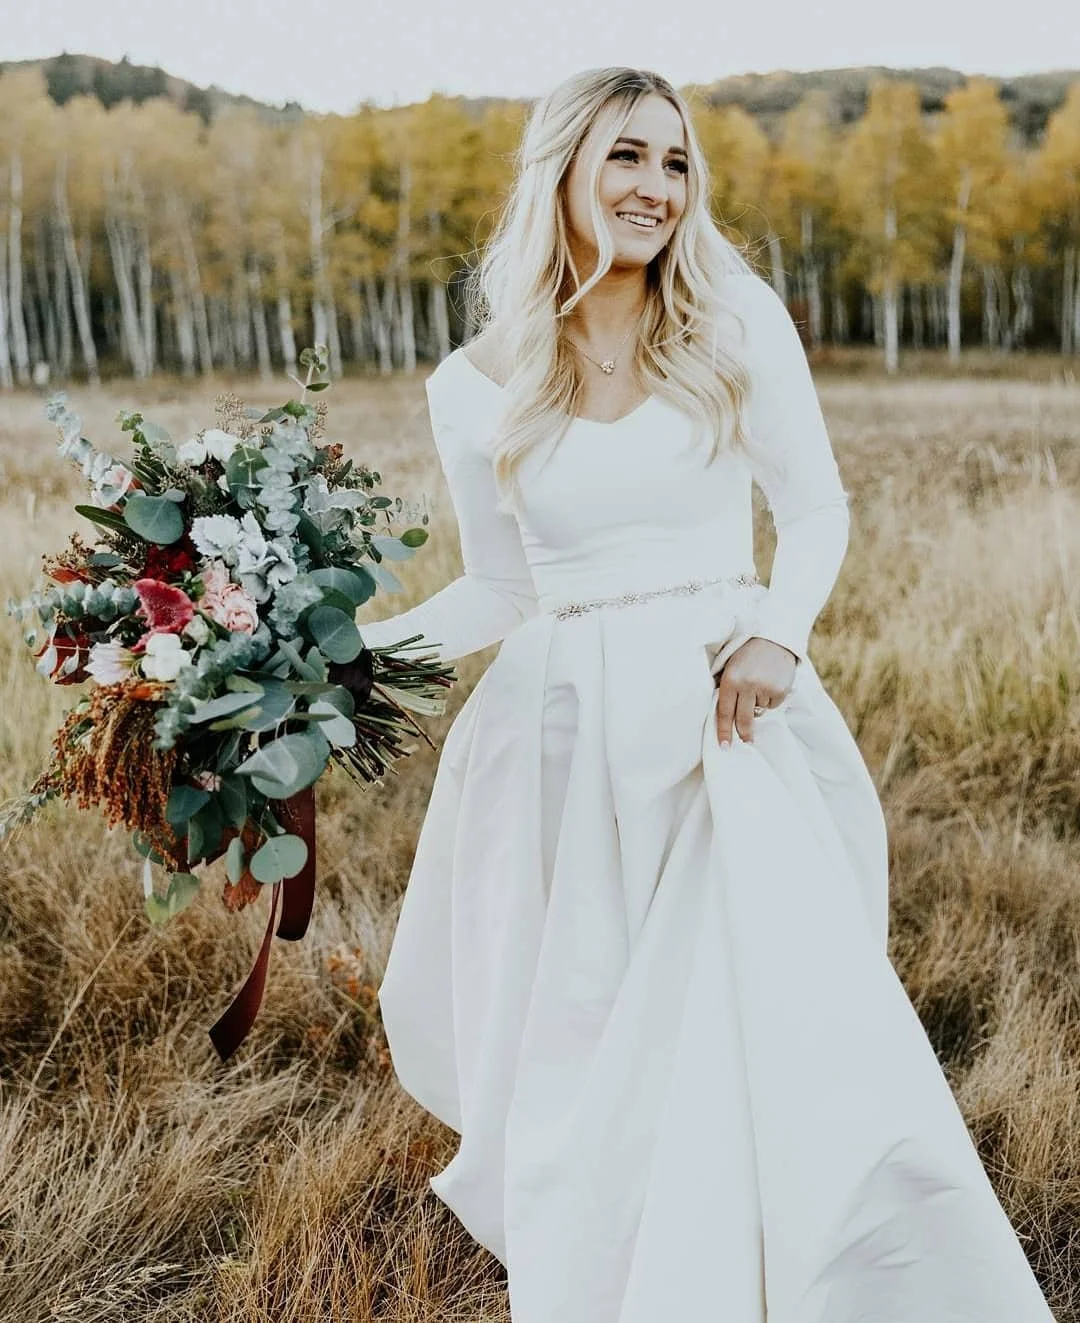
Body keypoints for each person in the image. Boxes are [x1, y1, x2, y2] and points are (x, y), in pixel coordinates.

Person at [359, 67, 1057, 1323]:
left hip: (719, 721)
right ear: (563, 167)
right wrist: (345, 670)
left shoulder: (736, 326)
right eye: (628, 158)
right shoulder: (475, 383)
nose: (656, 189)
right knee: (588, 1040)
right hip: (560, 741)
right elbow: (496, 592)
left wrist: (779, 634)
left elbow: (816, 507)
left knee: (774, 1011)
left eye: (677, 165)